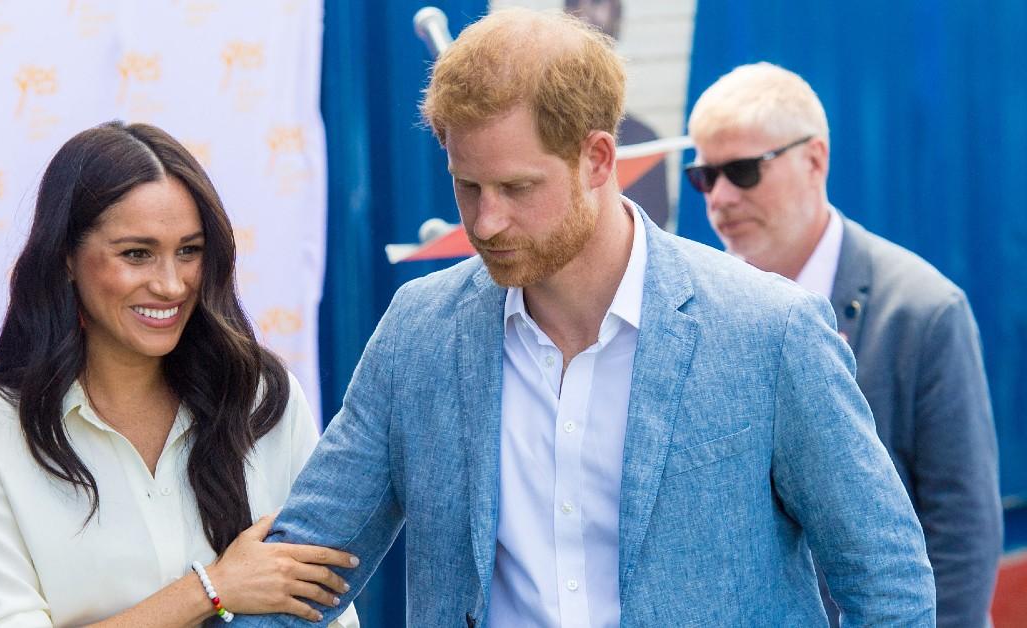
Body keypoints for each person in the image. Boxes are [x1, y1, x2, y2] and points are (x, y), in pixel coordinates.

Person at [233, 9, 933, 626]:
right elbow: (304, 568)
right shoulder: (419, 330)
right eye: (466, 185)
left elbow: (885, 576)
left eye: (517, 187)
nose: (485, 220)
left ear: (598, 158)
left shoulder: (767, 330)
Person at [0, 121, 360, 627]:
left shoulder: (260, 397)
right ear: (67, 257)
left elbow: (325, 610)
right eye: (137, 254)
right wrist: (212, 588)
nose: (171, 283)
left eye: (189, 251)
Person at [685, 62, 1002, 628]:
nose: (721, 198)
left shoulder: (924, 312)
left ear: (815, 160)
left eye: (742, 171)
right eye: (704, 177)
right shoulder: (699, 312)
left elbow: (962, 533)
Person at [563, 0, 670, 228]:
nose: (584, 14)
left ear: (617, 16)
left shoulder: (646, 141)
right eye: (573, 3)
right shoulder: (536, 133)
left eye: (597, 2)